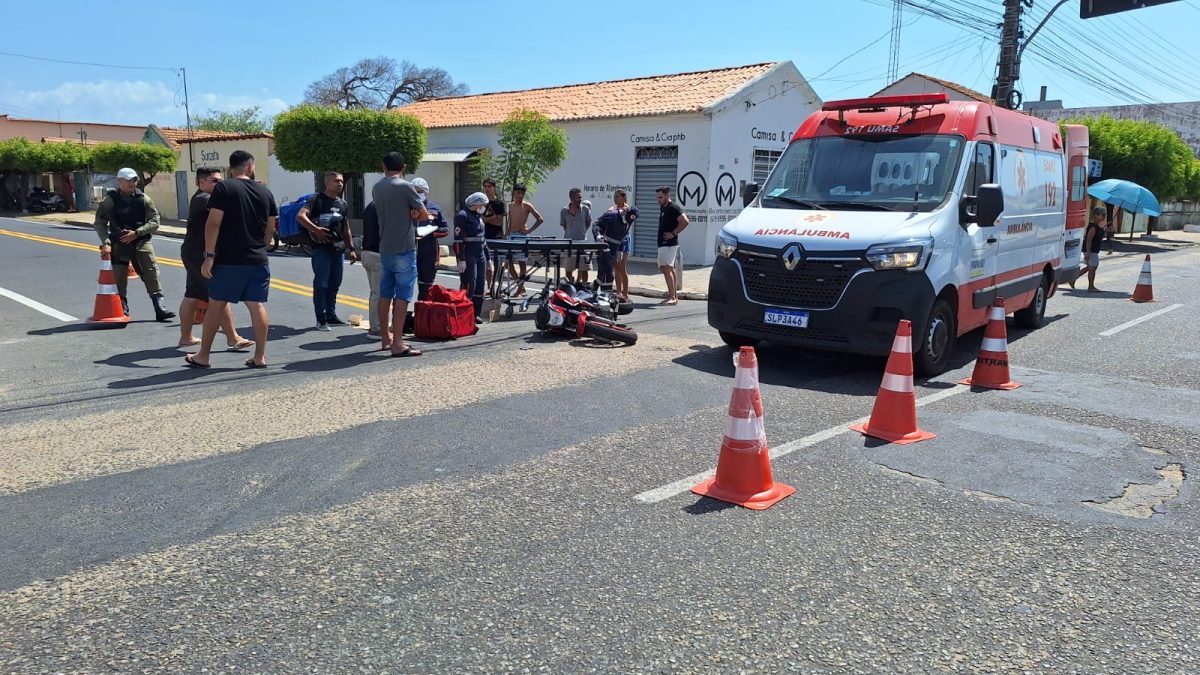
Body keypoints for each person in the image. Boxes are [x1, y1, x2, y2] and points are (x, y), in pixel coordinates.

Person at [183, 150, 277, 369]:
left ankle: (203, 356)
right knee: (256, 305)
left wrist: (209, 256)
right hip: (258, 259)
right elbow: (270, 227)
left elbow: (213, 223)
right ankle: (260, 357)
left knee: (216, 305)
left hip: (229, 260)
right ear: (250, 167)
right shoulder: (265, 191)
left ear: (231, 168)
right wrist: (260, 246)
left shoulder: (224, 188)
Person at [179, 167, 253, 350]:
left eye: (220, 180)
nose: (219, 184)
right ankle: (233, 338)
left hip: (194, 253)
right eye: (214, 181)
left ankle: (186, 337)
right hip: (199, 255)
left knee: (192, 294)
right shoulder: (203, 199)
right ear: (200, 182)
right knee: (219, 295)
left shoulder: (205, 198)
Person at [92, 167, 176, 321]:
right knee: (119, 276)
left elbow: (155, 221)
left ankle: (160, 307)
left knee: (151, 272)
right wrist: (106, 242)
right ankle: (122, 307)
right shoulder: (109, 200)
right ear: (120, 181)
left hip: (140, 241)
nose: (132, 183)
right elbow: (99, 223)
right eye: (129, 180)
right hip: (119, 243)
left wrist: (137, 233)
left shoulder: (143, 199)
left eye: (134, 180)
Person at [372, 151, 430, 357]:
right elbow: (423, 214)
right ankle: (398, 342)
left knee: (385, 294)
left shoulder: (377, 187)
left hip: (385, 246)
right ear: (403, 167)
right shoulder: (405, 186)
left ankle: (385, 339)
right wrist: (412, 212)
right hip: (404, 247)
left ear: (383, 166)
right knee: (403, 296)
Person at [297, 171, 357, 330]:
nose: (340, 184)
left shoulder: (342, 204)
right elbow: (301, 216)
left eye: (342, 181)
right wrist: (315, 229)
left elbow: (346, 227)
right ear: (327, 183)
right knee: (321, 284)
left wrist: (351, 248)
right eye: (336, 181)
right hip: (321, 249)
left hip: (338, 249)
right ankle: (321, 318)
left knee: (334, 284)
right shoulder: (316, 200)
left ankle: (331, 315)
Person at [593, 189, 638, 295]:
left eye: (617, 196)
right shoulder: (612, 213)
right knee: (611, 270)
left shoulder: (629, 213)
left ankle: (623, 294)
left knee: (617, 268)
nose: (615, 198)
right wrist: (598, 235)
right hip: (608, 243)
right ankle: (612, 293)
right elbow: (597, 223)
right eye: (614, 196)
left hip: (621, 243)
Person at [411, 177, 449, 302]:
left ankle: (422, 315)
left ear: (426, 191)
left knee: (426, 288)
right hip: (408, 251)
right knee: (403, 288)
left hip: (428, 253)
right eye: (415, 191)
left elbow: (445, 229)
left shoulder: (435, 208)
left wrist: (430, 232)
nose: (418, 193)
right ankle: (402, 318)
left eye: (420, 191)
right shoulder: (405, 208)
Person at [456, 192, 490, 320]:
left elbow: (483, 239)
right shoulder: (462, 216)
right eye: (483, 205)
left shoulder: (478, 216)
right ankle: (463, 314)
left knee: (480, 284)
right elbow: (458, 241)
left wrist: (489, 258)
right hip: (468, 254)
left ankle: (475, 314)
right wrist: (461, 259)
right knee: (470, 283)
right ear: (476, 204)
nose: (484, 207)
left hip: (480, 254)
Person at [505, 183, 544, 296]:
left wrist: (528, 231)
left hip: (522, 236)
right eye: (518, 193)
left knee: (522, 263)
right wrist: (506, 234)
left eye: (522, 193)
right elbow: (510, 222)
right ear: (514, 193)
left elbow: (540, 219)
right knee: (508, 263)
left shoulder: (526, 205)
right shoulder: (510, 206)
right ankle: (520, 284)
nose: (520, 195)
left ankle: (519, 288)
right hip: (512, 235)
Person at [655, 185, 689, 305]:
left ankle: (672, 297)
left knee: (665, 267)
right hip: (665, 243)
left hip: (668, 243)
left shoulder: (673, 208)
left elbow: (685, 221)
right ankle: (673, 296)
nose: (658, 200)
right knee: (669, 268)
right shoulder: (663, 207)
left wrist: (673, 233)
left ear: (667, 196)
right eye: (657, 197)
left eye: (660, 197)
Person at [1070, 206, 1108, 292]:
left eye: (1104, 215)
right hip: (1091, 250)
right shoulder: (1093, 227)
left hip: (1094, 250)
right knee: (1092, 267)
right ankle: (1091, 286)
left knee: (1090, 267)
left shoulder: (1097, 227)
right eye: (1102, 215)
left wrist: (1104, 231)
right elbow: (1089, 240)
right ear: (1096, 215)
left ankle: (1073, 279)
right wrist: (1088, 252)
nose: (1104, 217)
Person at [559, 188, 592, 284]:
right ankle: (570, 285)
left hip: (583, 242)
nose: (580, 199)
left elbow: (588, 222)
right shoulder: (564, 211)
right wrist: (571, 233)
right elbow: (564, 225)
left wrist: (582, 232)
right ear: (572, 198)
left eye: (581, 197)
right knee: (569, 268)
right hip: (570, 243)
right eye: (578, 197)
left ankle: (584, 286)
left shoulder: (585, 209)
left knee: (584, 268)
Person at [360, 201, 383, 336]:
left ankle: (376, 325)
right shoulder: (382, 206)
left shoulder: (370, 206)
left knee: (374, 292)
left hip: (367, 252)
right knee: (379, 294)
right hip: (377, 254)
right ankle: (376, 329)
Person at [482, 178, 506, 295]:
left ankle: (499, 287)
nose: (487, 189)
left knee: (498, 263)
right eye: (485, 186)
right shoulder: (482, 203)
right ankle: (489, 286)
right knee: (488, 262)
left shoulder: (500, 204)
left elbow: (499, 222)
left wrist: (490, 219)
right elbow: (482, 220)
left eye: (489, 187)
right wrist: (493, 217)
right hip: (484, 236)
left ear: (494, 188)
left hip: (497, 236)